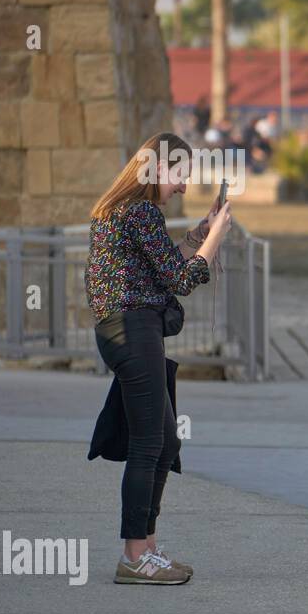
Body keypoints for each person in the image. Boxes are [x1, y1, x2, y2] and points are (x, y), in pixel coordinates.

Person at [85, 131, 232, 585]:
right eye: (181, 176)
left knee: (165, 442)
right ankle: (134, 556)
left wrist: (197, 236)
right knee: (150, 444)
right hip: (133, 330)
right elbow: (185, 281)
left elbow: (167, 269)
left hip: (127, 330)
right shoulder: (141, 210)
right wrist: (218, 237)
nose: (184, 188)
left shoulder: (123, 210)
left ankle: (147, 549)